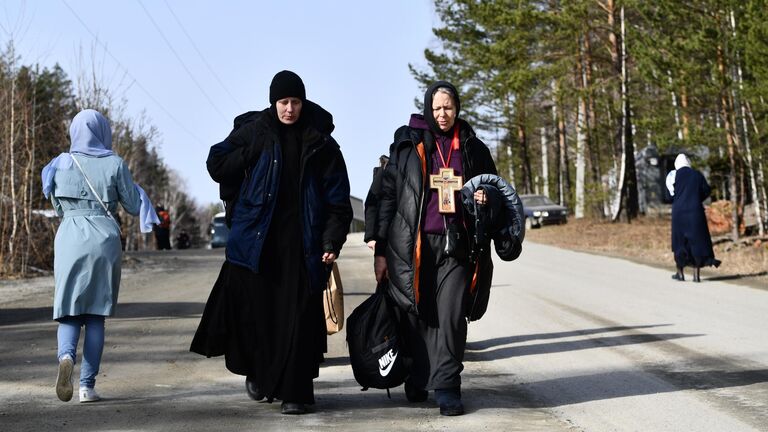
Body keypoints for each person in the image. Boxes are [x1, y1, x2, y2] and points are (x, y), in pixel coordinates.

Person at [190, 70, 353, 415]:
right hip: (258, 243)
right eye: (283, 102)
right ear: (273, 102)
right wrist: (248, 153)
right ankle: (259, 373)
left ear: (303, 102)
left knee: (297, 319)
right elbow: (216, 163)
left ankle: (295, 392)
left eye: (295, 102)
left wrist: (332, 241)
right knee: (258, 317)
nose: (289, 109)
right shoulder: (256, 130)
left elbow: (338, 201)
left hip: (303, 245)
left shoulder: (320, 141)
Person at [372, 81, 497, 416]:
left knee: (452, 314)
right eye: (437, 108)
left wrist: (484, 199)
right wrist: (380, 248)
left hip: (457, 243)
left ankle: (447, 387)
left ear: (457, 108)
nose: (443, 115)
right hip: (413, 244)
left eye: (449, 108)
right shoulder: (408, 145)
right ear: (428, 108)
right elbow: (387, 196)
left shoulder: (471, 146)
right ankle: (417, 376)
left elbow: (493, 189)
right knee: (417, 312)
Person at [41, 109, 158, 403]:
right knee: (95, 315)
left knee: (69, 310)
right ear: (103, 131)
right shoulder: (115, 163)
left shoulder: (59, 163)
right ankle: (86, 387)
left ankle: (66, 357)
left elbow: (56, 205)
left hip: (69, 237)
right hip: (103, 240)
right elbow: (132, 204)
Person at [668, 153, 721, 282]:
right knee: (697, 242)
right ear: (688, 163)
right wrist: (696, 199)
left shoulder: (672, 175)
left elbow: (670, 195)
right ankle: (696, 275)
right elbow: (707, 190)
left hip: (679, 213)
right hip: (695, 212)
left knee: (680, 242)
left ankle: (680, 274)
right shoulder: (697, 175)